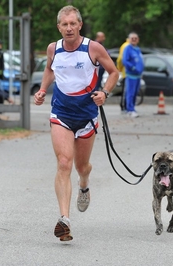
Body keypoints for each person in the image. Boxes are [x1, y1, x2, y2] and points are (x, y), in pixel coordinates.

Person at [33, 5, 119, 242]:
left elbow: (113, 73)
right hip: (60, 113)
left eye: (73, 23)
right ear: (58, 27)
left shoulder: (93, 48)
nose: (69, 28)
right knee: (63, 163)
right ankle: (64, 220)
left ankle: (84, 183)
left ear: (79, 25)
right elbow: (50, 70)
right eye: (64, 24)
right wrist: (42, 90)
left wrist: (105, 93)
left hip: (87, 115)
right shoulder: (54, 48)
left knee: (82, 167)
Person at [122, 32, 144, 118]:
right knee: (130, 93)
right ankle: (129, 109)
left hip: (138, 75)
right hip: (131, 75)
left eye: (136, 38)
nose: (134, 40)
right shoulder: (128, 49)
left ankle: (133, 108)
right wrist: (133, 68)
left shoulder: (138, 49)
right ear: (129, 39)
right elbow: (125, 61)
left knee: (135, 93)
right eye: (132, 38)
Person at [116, 36, 130, 112]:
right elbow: (121, 59)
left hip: (127, 71)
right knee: (126, 90)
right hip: (127, 72)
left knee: (127, 90)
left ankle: (126, 106)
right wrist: (119, 68)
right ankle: (124, 106)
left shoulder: (127, 45)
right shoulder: (126, 46)